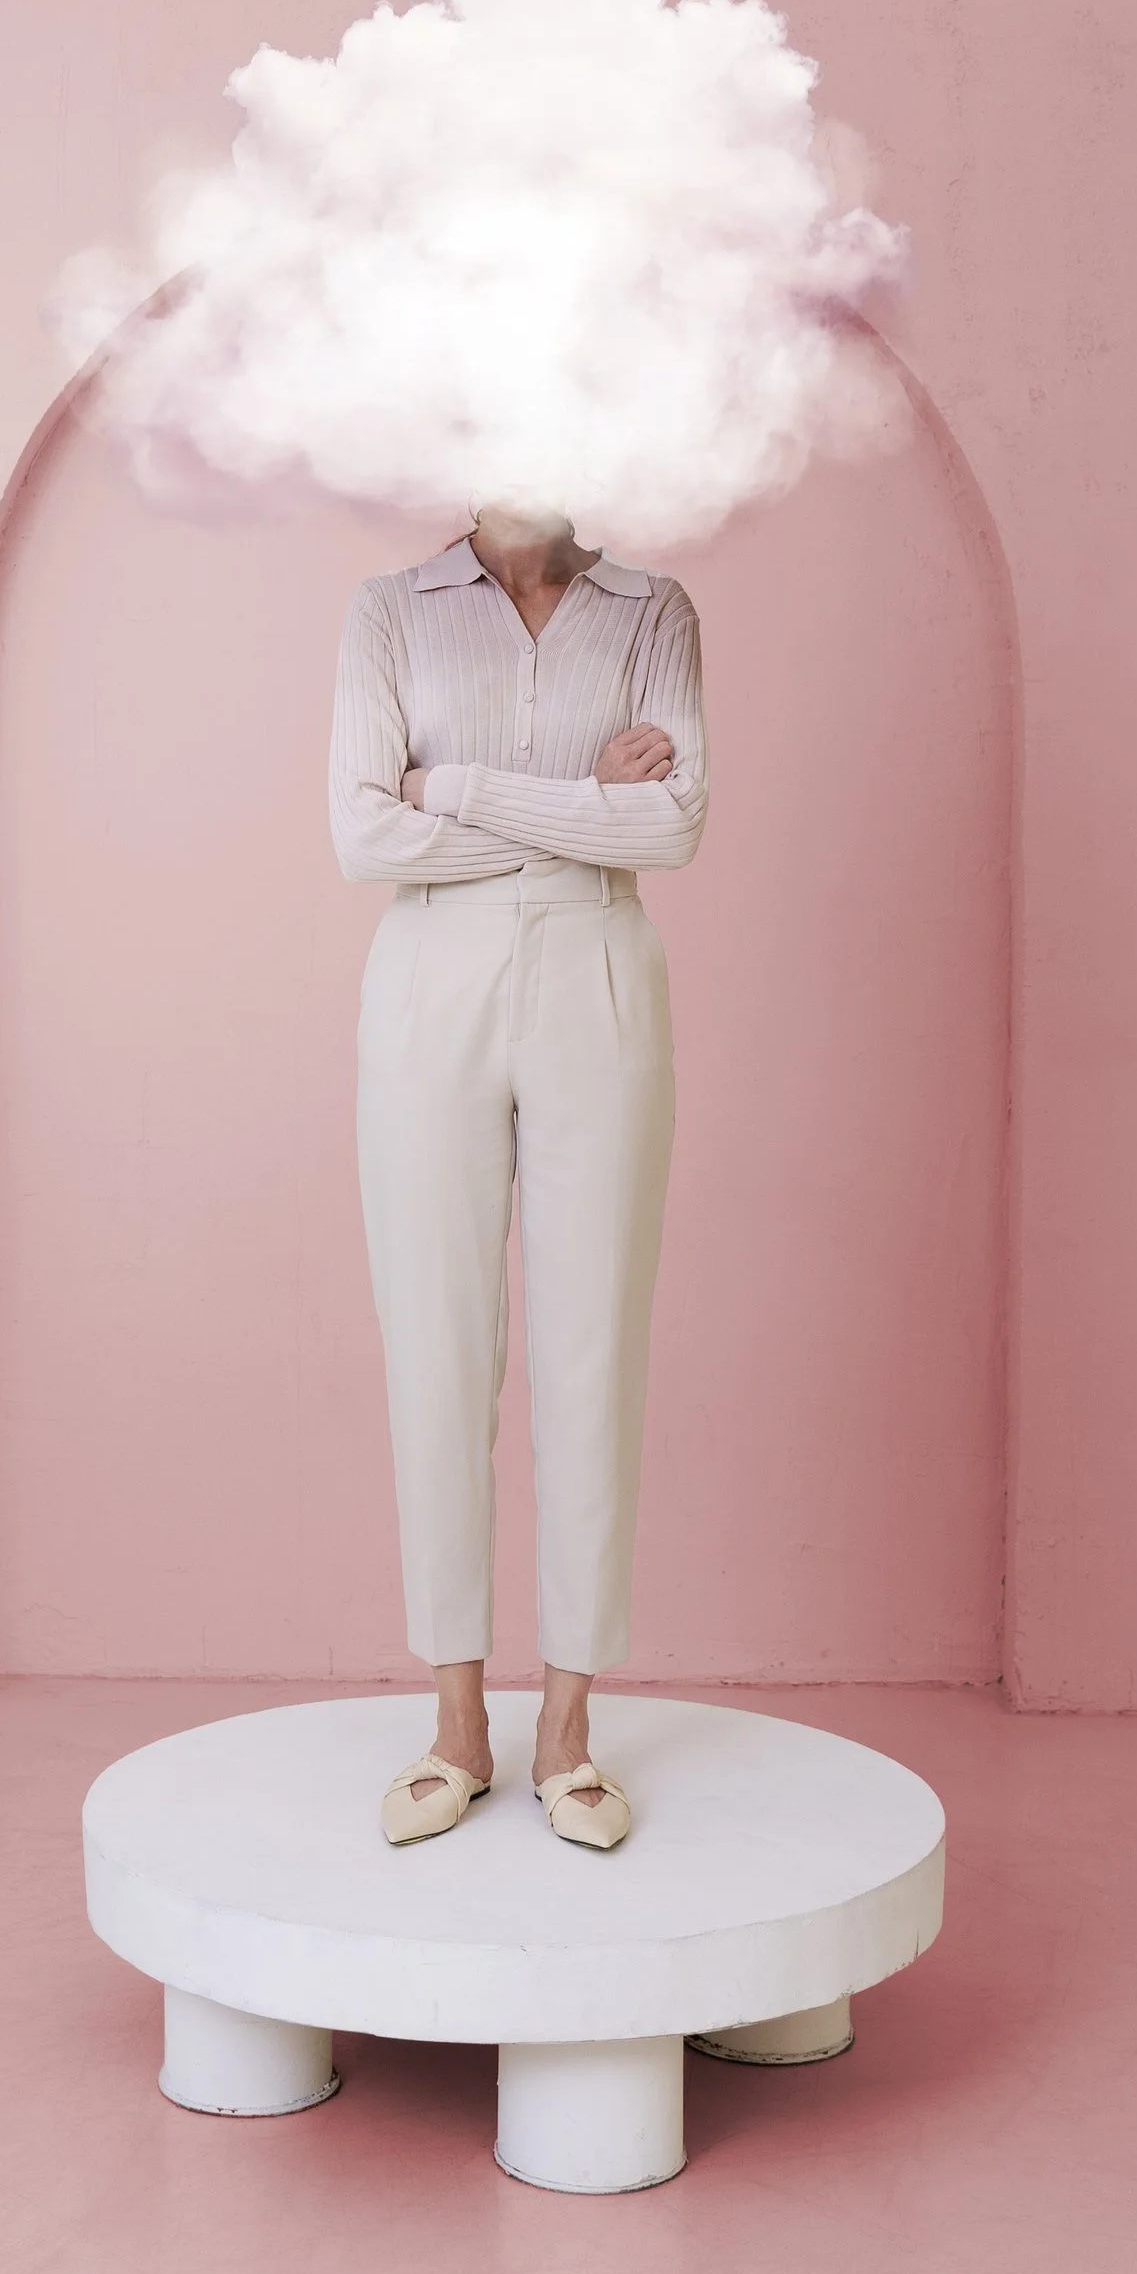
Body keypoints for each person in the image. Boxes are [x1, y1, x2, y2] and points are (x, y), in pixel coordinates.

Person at [328, 503, 708, 1851]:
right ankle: (454, 1721)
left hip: (600, 971)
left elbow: (669, 831)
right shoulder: (391, 609)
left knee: (592, 1345)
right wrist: (582, 807)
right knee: (437, 1340)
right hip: (431, 977)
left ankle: (568, 1728)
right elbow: (364, 837)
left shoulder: (652, 609)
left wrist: (460, 786)